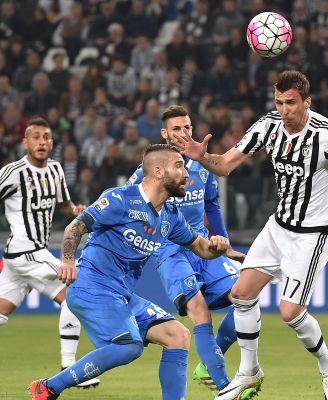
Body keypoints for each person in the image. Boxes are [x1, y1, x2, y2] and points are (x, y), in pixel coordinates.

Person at [173, 70, 328, 400]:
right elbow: (224, 165)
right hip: (279, 226)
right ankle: (248, 372)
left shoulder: (325, 135)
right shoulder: (268, 126)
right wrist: (201, 157)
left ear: (306, 102)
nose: (284, 110)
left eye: (291, 103)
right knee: (241, 294)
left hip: (314, 233)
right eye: (279, 102)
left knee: (290, 312)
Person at [28, 144, 230, 400]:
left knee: (177, 335)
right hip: (91, 287)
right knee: (129, 346)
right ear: (158, 171)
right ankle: (49, 387)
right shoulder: (120, 199)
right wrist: (67, 260)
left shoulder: (170, 215)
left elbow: (201, 247)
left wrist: (216, 246)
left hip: (122, 295)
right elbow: (75, 226)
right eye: (179, 166)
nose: (186, 174)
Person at [128, 105, 245, 394]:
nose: (183, 134)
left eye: (188, 128)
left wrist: (225, 243)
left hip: (204, 246)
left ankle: (209, 361)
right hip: (171, 253)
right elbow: (128, 209)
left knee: (246, 298)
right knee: (199, 311)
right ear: (164, 133)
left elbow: (212, 205)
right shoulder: (147, 174)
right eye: (176, 129)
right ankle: (224, 386)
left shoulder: (204, 168)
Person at [0, 118, 99, 388]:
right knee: (74, 295)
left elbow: (63, 204)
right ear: (25, 142)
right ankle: (69, 367)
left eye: (46, 137)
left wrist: (77, 211)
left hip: (20, 260)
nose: (41, 142)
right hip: (26, 251)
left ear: (52, 143)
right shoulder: (13, 172)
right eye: (36, 137)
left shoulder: (55, 170)